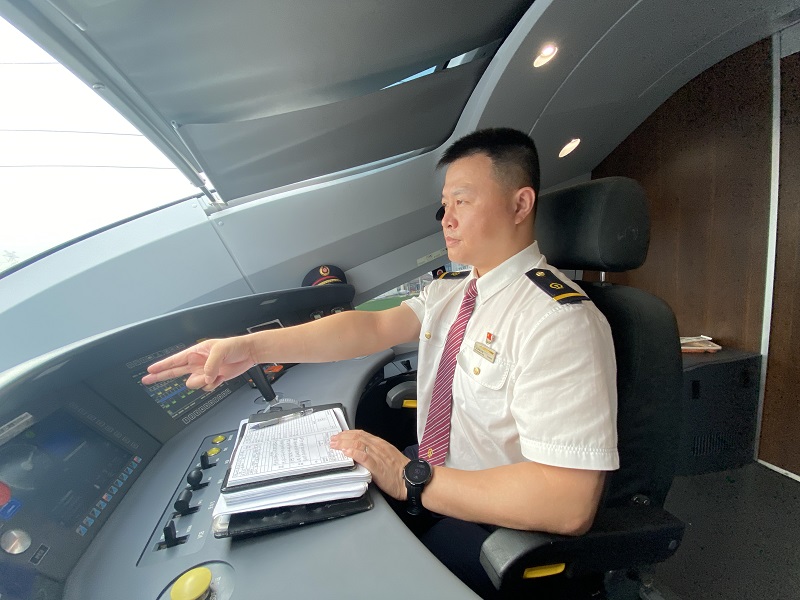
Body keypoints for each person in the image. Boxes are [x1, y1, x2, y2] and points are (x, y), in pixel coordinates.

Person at [142, 128, 618, 598]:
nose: (447, 219)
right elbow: (367, 328)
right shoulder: (453, 291)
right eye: (445, 205)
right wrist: (251, 349)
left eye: (462, 201)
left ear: (520, 205)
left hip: (491, 526)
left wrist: (408, 478)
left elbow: (566, 502)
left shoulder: (557, 321)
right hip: (435, 479)